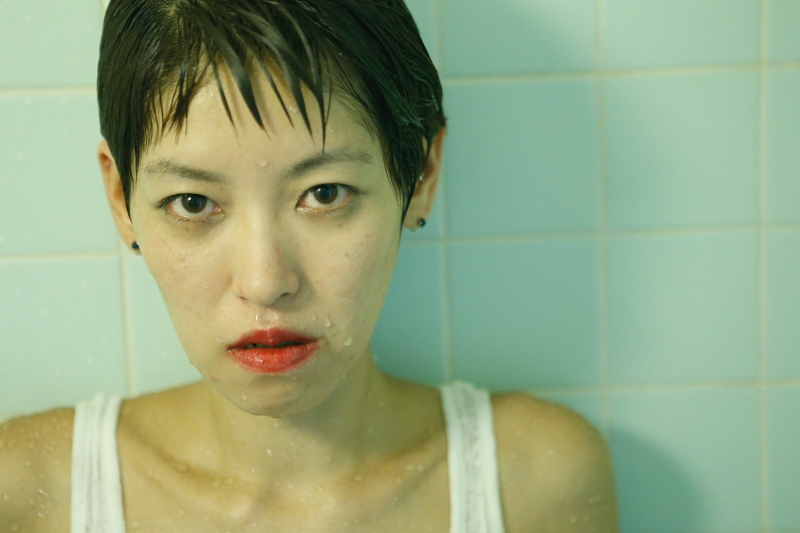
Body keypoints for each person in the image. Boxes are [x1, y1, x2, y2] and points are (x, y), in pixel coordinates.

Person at [0, 1, 618, 531]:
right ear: (121, 200)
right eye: (192, 203)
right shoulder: (29, 491)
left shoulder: (534, 480)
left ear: (420, 176)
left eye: (325, 194)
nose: (265, 282)